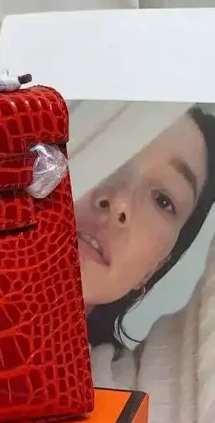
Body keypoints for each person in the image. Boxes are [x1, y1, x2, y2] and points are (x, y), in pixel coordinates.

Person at [79, 107, 215, 366]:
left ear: (156, 265)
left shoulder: (115, 385)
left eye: (162, 200)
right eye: (110, 153)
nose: (120, 201)